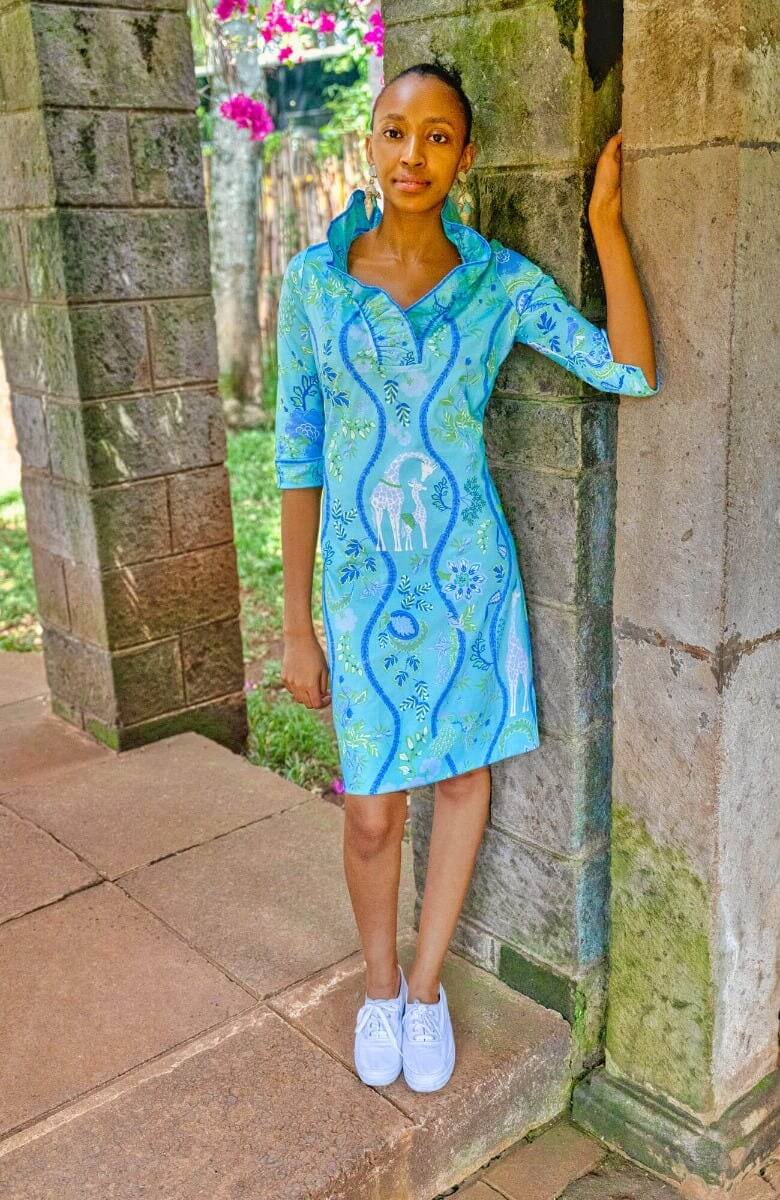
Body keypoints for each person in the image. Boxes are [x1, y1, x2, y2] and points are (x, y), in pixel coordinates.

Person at [274, 61, 660, 1094]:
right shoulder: (314, 284)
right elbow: (297, 456)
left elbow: (628, 369)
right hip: (360, 593)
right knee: (370, 811)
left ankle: (426, 989)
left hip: (468, 585)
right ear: (373, 142)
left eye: (437, 136)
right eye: (397, 131)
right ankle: (378, 985)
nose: (414, 155)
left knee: (458, 780)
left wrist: (605, 225)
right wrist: (298, 623)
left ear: (466, 156)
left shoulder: (498, 285)